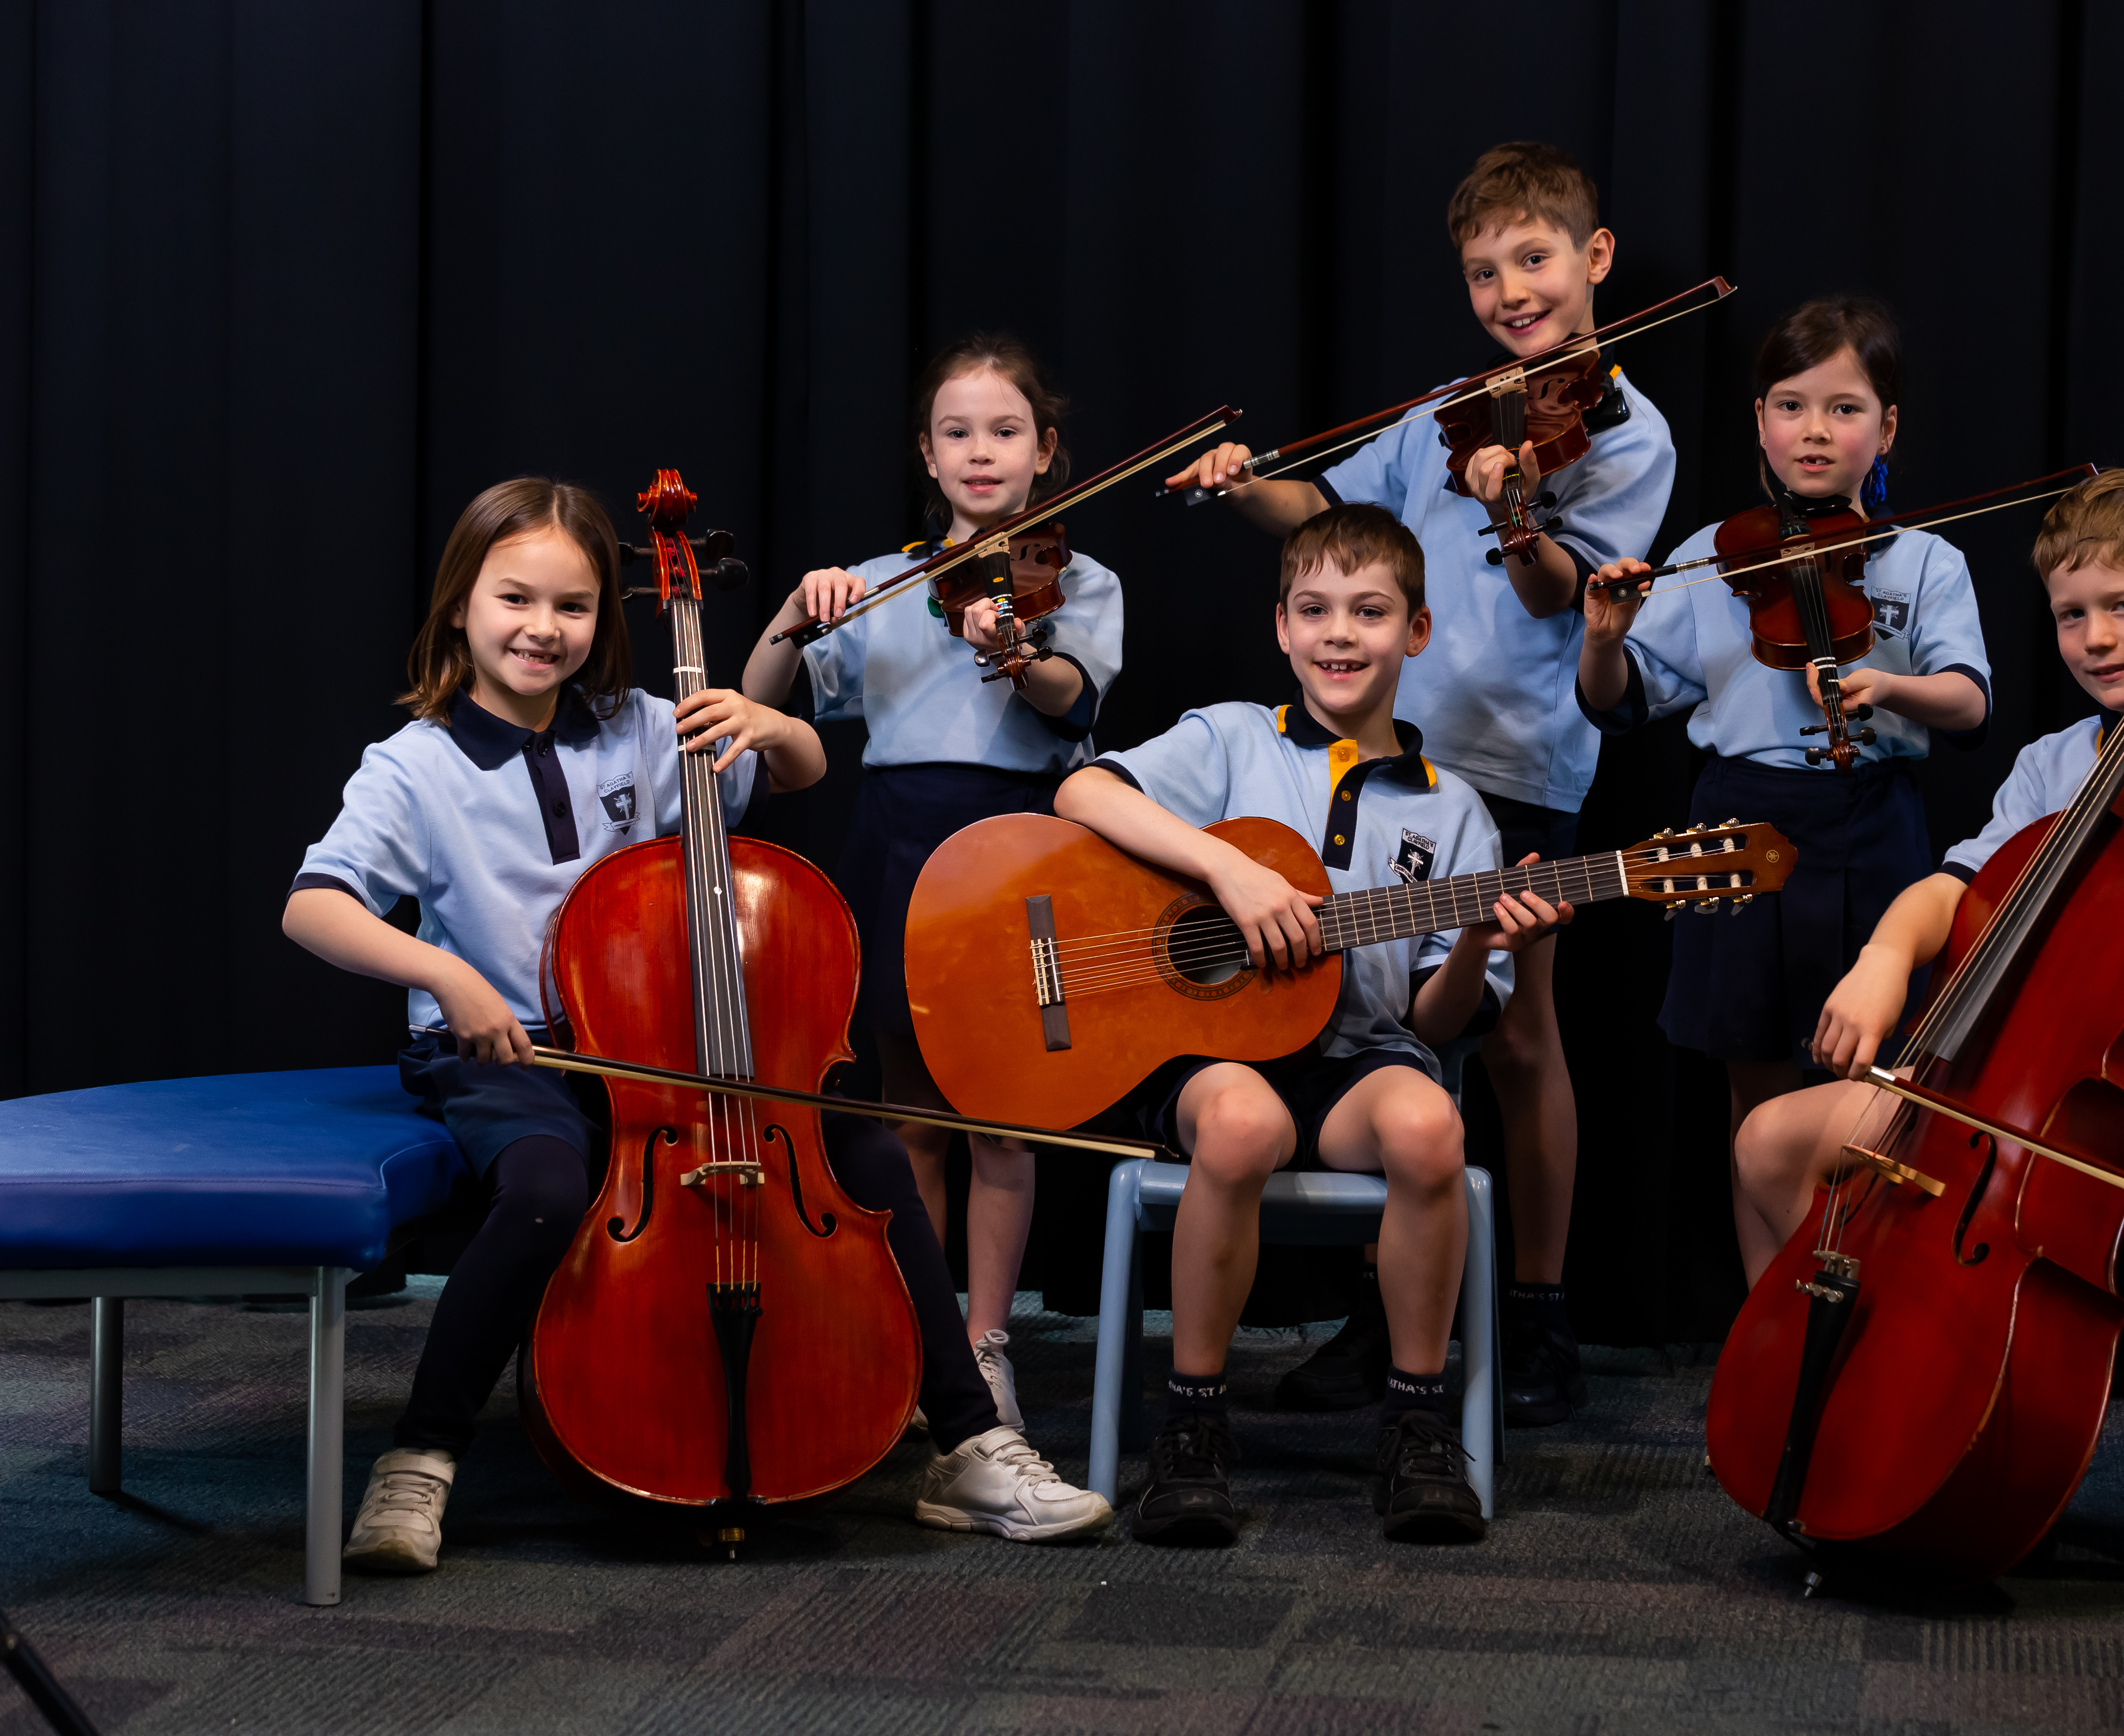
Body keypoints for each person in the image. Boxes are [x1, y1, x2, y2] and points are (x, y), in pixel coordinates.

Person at [289, 477, 1109, 1574]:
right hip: (511, 1047)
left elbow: (796, 774)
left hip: (662, 1041)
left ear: (604, 619)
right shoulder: (417, 763)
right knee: (541, 1186)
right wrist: (448, 974)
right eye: (515, 601)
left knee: (863, 1155)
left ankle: (967, 1442)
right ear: (459, 609)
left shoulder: (642, 730)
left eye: (573, 607)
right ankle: (423, 1455)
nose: (543, 629)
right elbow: (315, 905)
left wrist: (776, 728)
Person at [1729, 468, 2124, 1622]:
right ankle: (1853, 1403)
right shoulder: (2059, 764)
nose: (2096, 636)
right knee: (1774, 1141)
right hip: (2026, 1076)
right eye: (2073, 614)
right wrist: (1883, 959)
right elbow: (1954, 891)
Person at [1163, 141, 1673, 1426]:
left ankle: (1541, 1315)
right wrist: (1241, 490)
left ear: (1594, 260)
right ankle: (1387, 1314)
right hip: (1386, 758)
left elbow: (1568, 593)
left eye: (1535, 259)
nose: (1512, 290)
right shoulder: (1447, 411)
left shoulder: (1623, 429)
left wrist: (1513, 514)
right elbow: (1330, 517)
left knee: (1516, 1036)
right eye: (1485, 270)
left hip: (1513, 764)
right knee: (1382, 1032)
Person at [1056, 503, 1567, 1544]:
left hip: (1358, 1059)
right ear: (1281, 628)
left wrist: (1475, 939)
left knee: (1431, 1128)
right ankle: (1195, 1428)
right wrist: (1229, 869)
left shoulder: (1454, 810)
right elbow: (1082, 793)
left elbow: (1439, 1020)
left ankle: (1418, 1426)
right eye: (1317, 610)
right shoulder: (1233, 737)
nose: (1341, 633)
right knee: (1240, 1129)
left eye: (1370, 612)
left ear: (1416, 632)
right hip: (1214, 1052)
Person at [741, 334, 1121, 1431]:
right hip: (899, 850)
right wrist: (797, 612)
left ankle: (988, 1342)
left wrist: (1008, 647)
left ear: (1047, 451)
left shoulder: (1080, 582)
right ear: (927, 453)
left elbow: (1068, 703)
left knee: (1001, 1121)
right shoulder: (880, 581)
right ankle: (920, 1334)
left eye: (1006, 431)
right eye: (957, 433)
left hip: (1018, 853)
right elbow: (771, 697)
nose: (982, 452)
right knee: (906, 1115)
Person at [1578, 295, 1991, 1210]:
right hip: (1737, 822)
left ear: (1886, 429)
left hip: (1875, 820)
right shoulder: (1711, 559)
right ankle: (1772, 1318)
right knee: (1755, 1084)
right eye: (1790, 405)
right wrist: (1603, 639)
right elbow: (1622, 705)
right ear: (1759, 423)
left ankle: (1861, 1317)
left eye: (1845, 409)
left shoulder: (1923, 562)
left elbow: (1968, 701)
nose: (1815, 431)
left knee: (1878, 1078)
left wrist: (1887, 687)